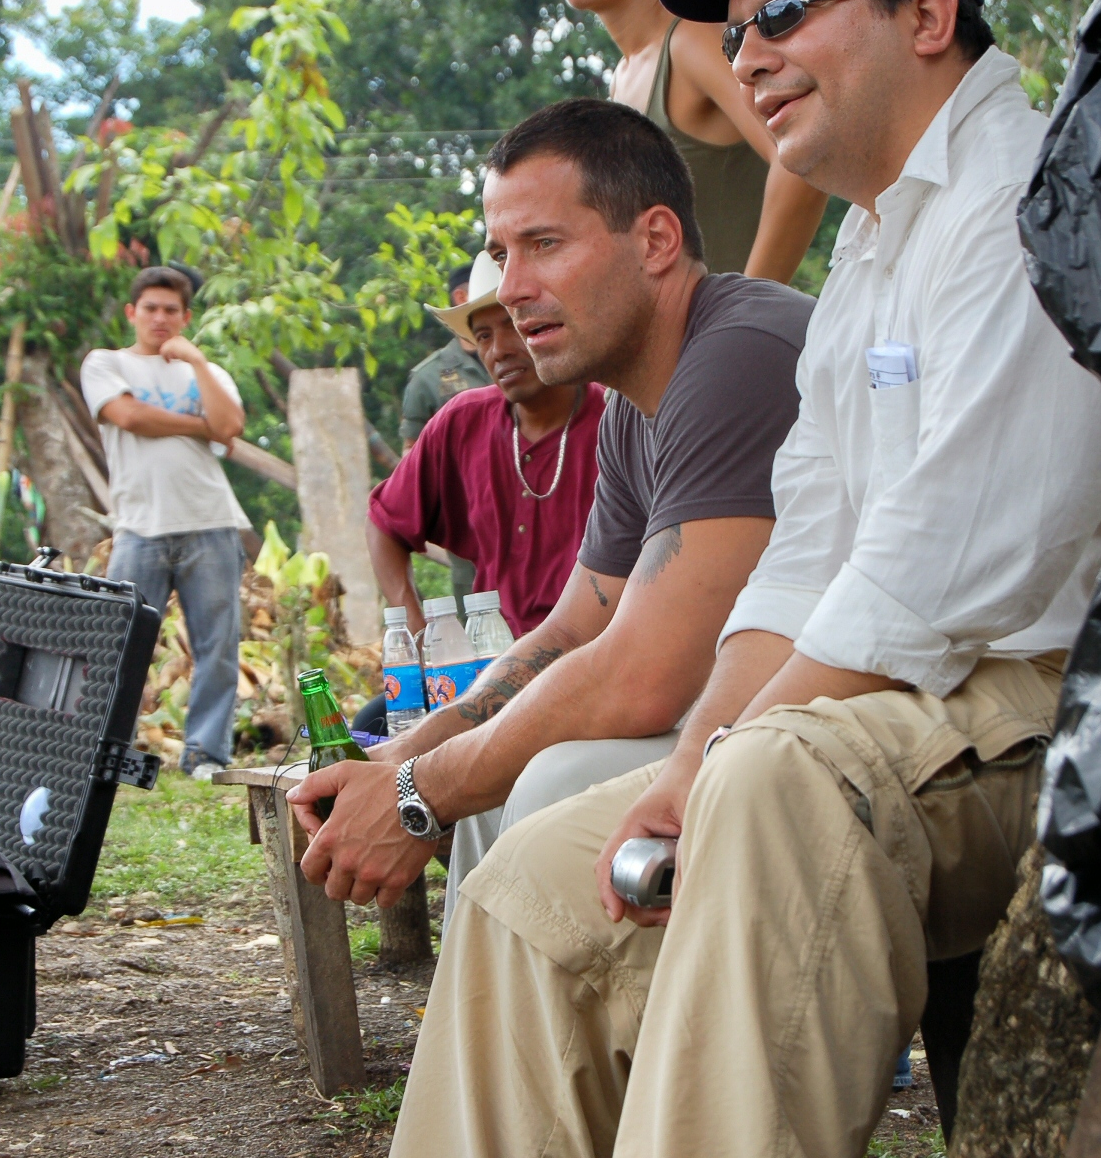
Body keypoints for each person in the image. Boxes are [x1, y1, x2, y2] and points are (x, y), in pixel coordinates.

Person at [213, 0, 1101, 1158]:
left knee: (763, 786)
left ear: (926, 18)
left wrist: (718, 764)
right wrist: (668, 770)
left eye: (784, 16)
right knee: (555, 866)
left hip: (1030, 711)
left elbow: (940, 571)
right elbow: (800, 566)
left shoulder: (1014, 197)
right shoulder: (875, 238)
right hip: (891, 695)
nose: (743, 57)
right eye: (729, 24)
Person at [288, 99, 811, 932]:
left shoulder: (739, 355)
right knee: (509, 780)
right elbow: (569, 634)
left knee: (544, 781)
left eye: (544, 244)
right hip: (746, 720)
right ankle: (506, 1060)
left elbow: (642, 675)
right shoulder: (632, 404)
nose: (510, 288)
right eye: (500, 253)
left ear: (657, 241)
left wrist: (417, 797)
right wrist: (399, 757)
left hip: (868, 718)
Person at [547, 0, 828, 283]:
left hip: (728, 345)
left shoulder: (692, 41)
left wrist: (744, 317)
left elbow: (801, 164)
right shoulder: (623, 76)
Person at [368, 249, 605, 641]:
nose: (499, 350)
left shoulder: (618, 422)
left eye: (512, 326)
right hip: (490, 666)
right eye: (482, 336)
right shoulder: (462, 420)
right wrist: (418, 630)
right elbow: (384, 522)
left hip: (593, 663)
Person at [80, 266, 248, 780]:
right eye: (150, 308)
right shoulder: (105, 363)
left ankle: (206, 754)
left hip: (211, 521)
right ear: (132, 312)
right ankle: (107, 753)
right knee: (121, 645)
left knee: (217, 647)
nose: (160, 318)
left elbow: (230, 427)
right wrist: (199, 427)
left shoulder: (209, 373)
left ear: (185, 316)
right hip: (138, 526)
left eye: (171, 310)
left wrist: (195, 360)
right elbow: (129, 417)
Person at [400, 260, 491, 612]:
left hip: (539, 502)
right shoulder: (429, 377)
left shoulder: (531, 355)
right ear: (462, 296)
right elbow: (411, 457)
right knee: (479, 617)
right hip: (468, 521)